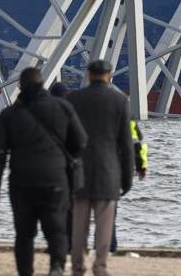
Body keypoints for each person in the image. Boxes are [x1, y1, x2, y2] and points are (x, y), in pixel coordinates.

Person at [0, 66, 88, 276]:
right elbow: (80, 142)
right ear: (42, 83)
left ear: (19, 86)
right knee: (57, 228)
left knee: (24, 234)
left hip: (22, 182)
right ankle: (57, 267)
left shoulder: (9, 115)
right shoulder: (63, 107)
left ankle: (26, 272)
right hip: (56, 179)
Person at [65, 59, 135, 276]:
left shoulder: (73, 99)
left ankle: (78, 268)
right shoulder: (120, 101)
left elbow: (66, 140)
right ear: (110, 76)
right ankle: (100, 267)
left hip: (79, 172)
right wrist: (127, 178)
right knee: (104, 226)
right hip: (108, 171)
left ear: (88, 74)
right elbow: (126, 143)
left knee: (79, 226)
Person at [111, 118, 148, 256]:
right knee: (108, 212)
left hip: (88, 169)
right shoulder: (129, 122)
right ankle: (109, 247)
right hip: (114, 171)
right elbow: (138, 146)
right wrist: (141, 168)